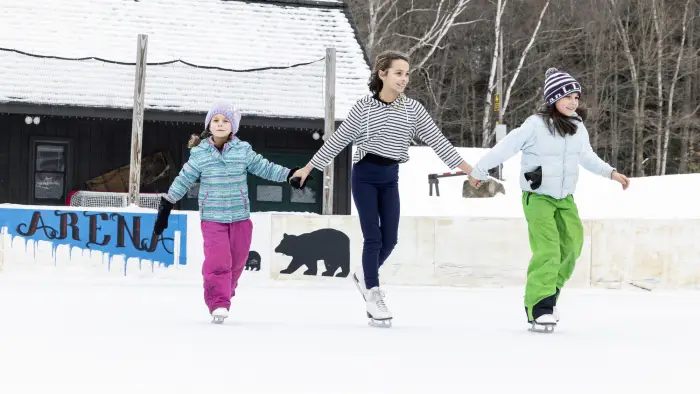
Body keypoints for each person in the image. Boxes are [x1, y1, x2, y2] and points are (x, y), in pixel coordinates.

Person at [290, 50, 480, 327]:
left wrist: (469, 171)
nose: (404, 79)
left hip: (391, 177)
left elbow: (439, 142)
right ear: (383, 74)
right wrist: (308, 168)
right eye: (398, 73)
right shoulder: (364, 108)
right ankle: (373, 293)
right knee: (374, 238)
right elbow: (337, 141)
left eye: (406, 74)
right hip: (365, 175)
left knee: (390, 239)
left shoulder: (413, 110)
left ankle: (364, 275)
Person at [468, 68, 630, 332]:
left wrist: (610, 172)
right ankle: (539, 306)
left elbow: (586, 157)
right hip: (538, 196)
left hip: (565, 198)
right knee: (548, 249)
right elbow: (505, 147)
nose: (573, 102)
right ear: (553, 98)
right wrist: (479, 170)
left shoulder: (577, 127)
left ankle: (549, 291)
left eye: (576, 97)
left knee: (572, 245)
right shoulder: (535, 125)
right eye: (567, 96)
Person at [152, 101, 307, 324]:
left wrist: (288, 174)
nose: (220, 124)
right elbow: (183, 180)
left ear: (233, 126)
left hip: (240, 217)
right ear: (209, 125)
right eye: (215, 120)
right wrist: (167, 204)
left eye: (225, 121)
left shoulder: (243, 150)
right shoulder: (200, 154)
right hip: (213, 219)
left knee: (237, 262)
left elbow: (265, 167)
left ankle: (224, 292)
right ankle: (218, 301)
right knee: (218, 260)